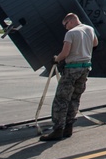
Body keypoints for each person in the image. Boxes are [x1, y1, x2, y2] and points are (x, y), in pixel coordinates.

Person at [40, 13, 97, 141]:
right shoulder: (89, 29)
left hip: (72, 68)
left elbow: (65, 53)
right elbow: (95, 44)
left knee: (61, 99)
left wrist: (56, 59)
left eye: (65, 25)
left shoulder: (71, 33)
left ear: (70, 21)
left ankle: (58, 129)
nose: (66, 28)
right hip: (85, 68)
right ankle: (69, 127)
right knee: (75, 98)